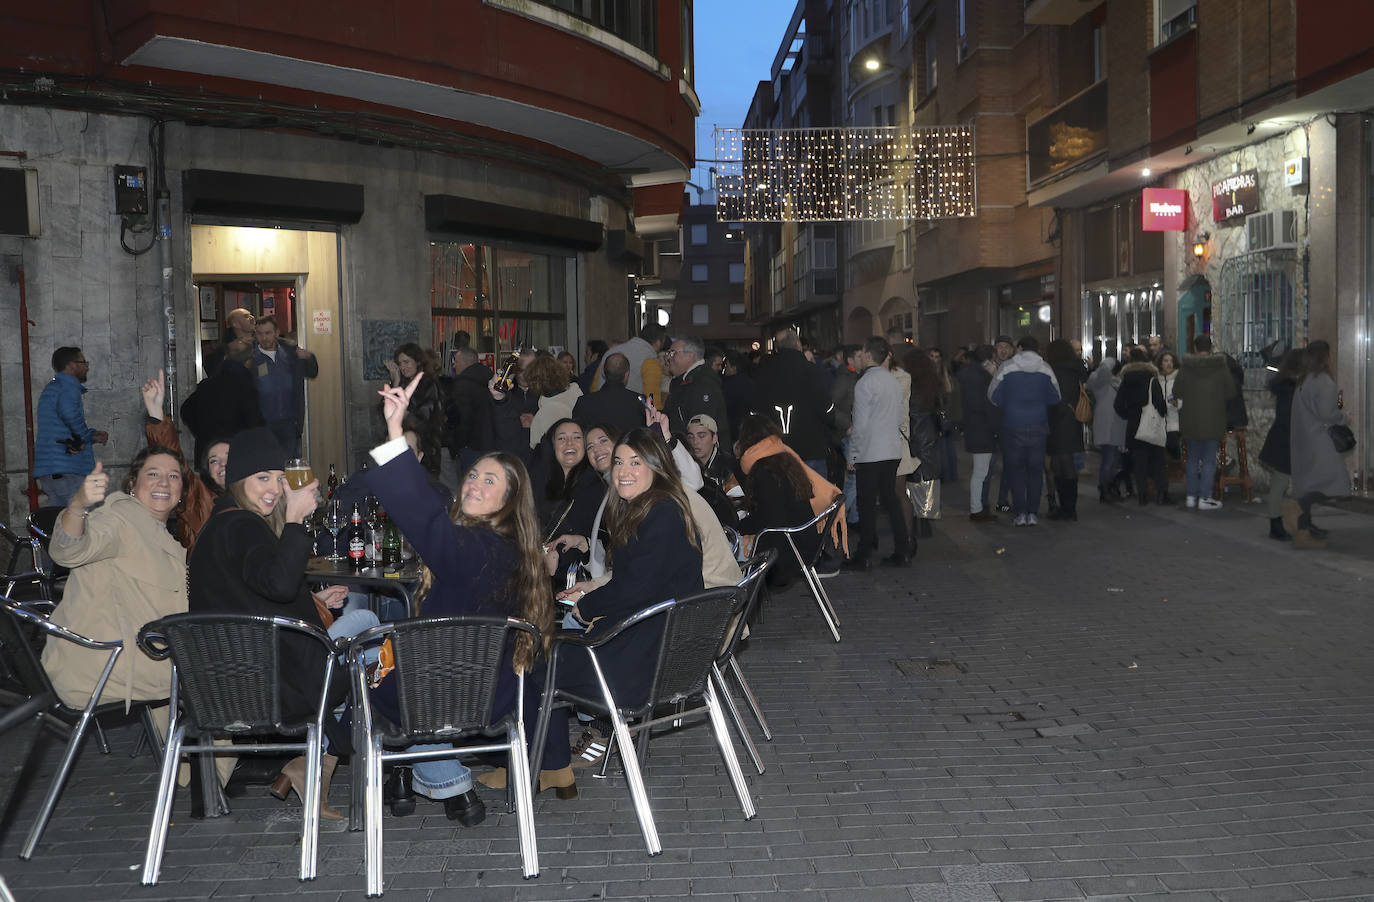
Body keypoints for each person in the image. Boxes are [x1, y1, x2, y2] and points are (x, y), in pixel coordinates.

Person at [368, 374, 562, 813]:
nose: (473, 484)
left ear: (509, 501)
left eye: (490, 481)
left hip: (436, 693)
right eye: (472, 474)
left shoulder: (479, 549)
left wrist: (396, 434)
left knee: (348, 665)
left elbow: (427, 523)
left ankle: (424, 772)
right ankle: (421, 773)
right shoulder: (507, 549)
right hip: (487, 693)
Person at [188, 426, 359, 820]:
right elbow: (280, 587)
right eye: (262, 478)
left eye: (280, 480)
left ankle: (310, 766)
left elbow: (255, 590)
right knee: (374, 648)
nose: (274, 489)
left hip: (221, 684)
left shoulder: (222, 526)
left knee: (357, 641)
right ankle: (327, 763)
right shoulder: (243, 526)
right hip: (271, 688)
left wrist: (311, 599)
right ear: (237, 480)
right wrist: (297, 520)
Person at [548, 428, 705, 772]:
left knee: (539, 662)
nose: (623, 470)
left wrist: (587, 606)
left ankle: (554, 759)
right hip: (665, 648)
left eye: (636, 462)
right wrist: (593, 597)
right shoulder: (660, 508)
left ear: (657, 466)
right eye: (619, 462)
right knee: (558, 644)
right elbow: (639, 583)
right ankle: (597, 733)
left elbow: (635, 590)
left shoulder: (660, 515)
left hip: (645, 664)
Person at [42, 448, 188, 712]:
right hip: (102, 668)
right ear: (132, 483)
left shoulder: (163, 536)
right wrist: (77, 506)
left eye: (174, 476)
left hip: (135, 658)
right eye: (152, 473)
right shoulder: (118, 518)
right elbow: (68, 550)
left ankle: (180, 753)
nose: (164, 482)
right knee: (225, 677)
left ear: (181, 493)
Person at [736, 414, 831, 588]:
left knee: (728, 547)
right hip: (804, 542)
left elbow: (771, 520)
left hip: (788, 553)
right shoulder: (785, 460)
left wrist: (737, 526)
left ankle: (732, 604)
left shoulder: (764, 471)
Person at [846, 337, 911, 569]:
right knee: (891, 500)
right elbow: (899, 417)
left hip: (870, 452)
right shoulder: (892, 381)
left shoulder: (865, 384)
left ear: (868, 355)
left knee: (866, 503)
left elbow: (860, 425)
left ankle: (863, 555)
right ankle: (902, 550)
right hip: (891, 450)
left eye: (862, 352)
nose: (860, 356)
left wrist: (853, 454)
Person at [140, 370, 223, 550]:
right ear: (207, 469)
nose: (223, 464)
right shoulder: (200, 499)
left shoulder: (255, 498)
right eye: (214, 460)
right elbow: (173, 460)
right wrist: (156, 415)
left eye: (229, 458)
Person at [987, 336, 1060, 526]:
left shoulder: (1007, 367)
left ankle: (1020, 513)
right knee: (1036, 471)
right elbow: (1055, 397)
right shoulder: (1046, 368)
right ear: (1037, 349)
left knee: (1016, 470)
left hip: (1013, 425)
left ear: (1019, 348)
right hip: (1038, 426)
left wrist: (1009, 404)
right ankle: (1033, 513)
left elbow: (993, 395)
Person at [1286, 341, 1351, 550]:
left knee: (1310, 485)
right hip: (1320, 441)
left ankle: (1303, 533)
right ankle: (1296, 510)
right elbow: (1327, 413)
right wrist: (1344, 418)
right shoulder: (1323, 382)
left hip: (1306, 439)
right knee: (1331, 481)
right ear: (1325, 357)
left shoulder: (1305, 379)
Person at [751, 329, 835, 475]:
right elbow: (826, 408)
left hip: (776, 448)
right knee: (816, 494)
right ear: (798, 344)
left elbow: (756, 409)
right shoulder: (809, 370)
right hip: (810, 447)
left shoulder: (765, 372)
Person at [34, 347, 108, 508]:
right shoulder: (68, 387)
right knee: (85, 523)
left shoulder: (53, 387)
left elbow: (62, 423)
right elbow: (68, 413)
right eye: (83, 362)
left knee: (64, 525)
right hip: (68, 469)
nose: (87, 366)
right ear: (71, 365)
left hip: (53, 470)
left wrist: (92, 436)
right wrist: (86, 435)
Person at [1172, 335, 1237, 510]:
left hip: (1190, 419)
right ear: (1210, 347)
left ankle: (1191, 497)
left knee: (1192, 459)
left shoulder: (1186, 367)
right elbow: (1231, 391)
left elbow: (1176, 391)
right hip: (1214, 419)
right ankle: (1205, 497)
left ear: (1195, 347)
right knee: (1209, 460)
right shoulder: (1220, 367)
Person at [180, 336, 263, 466]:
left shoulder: (207, 385)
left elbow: (186, 410)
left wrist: (202, 432)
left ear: (225, 358)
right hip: (236, 454)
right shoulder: (246, 387)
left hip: (207, 454)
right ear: (248, 362)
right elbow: (254, 423)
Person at [251, 316, 318, 457]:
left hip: (289, 423)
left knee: (289, 470)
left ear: (276, 332)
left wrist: (308, 357)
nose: (264, 338)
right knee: (267, 469)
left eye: (268, 333)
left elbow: (312, 372)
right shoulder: (251, 359)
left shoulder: (290, 354)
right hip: (262, 425)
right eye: (260, 333)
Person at [1259, 349, 1304, 541]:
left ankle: (1278, 524)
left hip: (1283, 439)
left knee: (1280, 483)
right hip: (1286, 441)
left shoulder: (1287, 386)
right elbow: (1289, 418)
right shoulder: (1291, 388)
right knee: (1280, 484)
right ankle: (1277, 526)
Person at [1113, 348, 1168, 506]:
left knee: (1139, 462)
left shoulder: (1126, 379)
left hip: (1134, 426)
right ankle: (1161, 493)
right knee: (1158, 460)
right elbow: (1159, 403)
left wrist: (1129, 414)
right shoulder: (1152, 378)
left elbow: (1117, 404)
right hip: (1150, 424)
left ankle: (1142, 495)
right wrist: (1162, 414)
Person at [383, 343, 445, 475]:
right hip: (402, 445)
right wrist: (395, 381)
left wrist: (402, 413)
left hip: (425, 448)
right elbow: (385, 411)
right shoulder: (404, 383)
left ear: (417, 362)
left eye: (406, 362)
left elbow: (424, 419)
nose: (402, 367)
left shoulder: (428, 384)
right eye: (399, 363)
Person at [955, 345, 1000, 522]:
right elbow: (989, 404)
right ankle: (977, 508)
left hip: (973, 427)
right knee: (981, 472)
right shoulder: (984, 376)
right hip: (984, 428)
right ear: (991, 358)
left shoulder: (964, 374)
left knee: (980, 471)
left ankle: (979, 507)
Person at [903, 348, 945, 538]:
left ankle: (912, 519)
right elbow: (941, 408)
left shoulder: (906, 383)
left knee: (912, 479)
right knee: (928, 479)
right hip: (928, 434)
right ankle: (926, 520)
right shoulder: (932, 382)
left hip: (911, 434)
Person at [1044, 339, 1086, 520]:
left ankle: (1068, 509)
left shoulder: (1059, 371)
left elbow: (1058, 399)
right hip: (1070, 421)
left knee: (1062, 465)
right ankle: (1068, 507)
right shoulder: (1074, 369)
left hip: (1059, 422)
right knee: (1061, 464)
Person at [665, 335, 731, 449]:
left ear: (690, 355)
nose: (668, 357)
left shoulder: (703, 383)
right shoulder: (686, 380)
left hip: (700, 458)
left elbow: (701, 431)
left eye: (673, 353)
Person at [571, 352, 646, 439]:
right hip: (632, 451)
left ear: (602, 372)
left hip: (597, 451)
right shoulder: (642, 401)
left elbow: (577, 437)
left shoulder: (583, 402)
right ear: (627, 374)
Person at [524, 354, 583, 452]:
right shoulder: (577, 392)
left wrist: (528, 428)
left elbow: (536, 448)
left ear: (536, 382)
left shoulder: (545, 412)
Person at [1087, 357, 1127, 502]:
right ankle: (1104, 489)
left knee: (1114, 459)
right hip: (1107, 424)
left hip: (1118, 423)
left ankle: (1110, 487)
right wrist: (1107, 362)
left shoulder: (1117, 382)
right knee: (1109, 459)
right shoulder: (1100, 381)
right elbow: (1104, 371)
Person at [489, 349, 539, 462]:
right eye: (520, 370)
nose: (524, 375)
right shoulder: (504, 395)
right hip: (511, 458)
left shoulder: (546, 394)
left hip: (538, 459)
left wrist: (537, 422)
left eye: (529, 370)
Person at [596, 324, 667, 404]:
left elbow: (595, 386)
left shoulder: (610, 352)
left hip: (600, 409)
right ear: (658, 343)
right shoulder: (650, 360)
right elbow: (652, 401)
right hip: (629, 414)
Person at [685, 414, 744, 493]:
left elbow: (737, 502)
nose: (695, 441)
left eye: (701, 436)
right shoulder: (683, 464)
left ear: (714, 438)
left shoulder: (729, 468)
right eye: (690, 437)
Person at [1156, 350, 1182, 462]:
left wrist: (1177, 403)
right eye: (1165, 361)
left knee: (1173, 447)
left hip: (1174, 422)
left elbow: (1184, 399)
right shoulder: (1156, 381)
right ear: (1160, 363)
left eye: (1171, 361)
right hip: (1158, 423)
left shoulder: (1178, 380)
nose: (1169, 364)